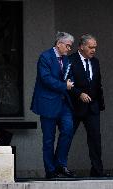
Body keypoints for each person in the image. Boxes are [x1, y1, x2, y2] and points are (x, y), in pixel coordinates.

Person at [30, 32, 76, 179]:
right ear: (59, 44)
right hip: (48, 103)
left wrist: (70, 82)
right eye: (67, 45)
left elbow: (70, 76)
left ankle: (60, 165)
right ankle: (50, 170)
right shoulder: (45, 57)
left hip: (63, 103)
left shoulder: (67, 59)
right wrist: (64, 85)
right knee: (49, 139)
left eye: (70, 46)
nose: (69, 49)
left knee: (68, 131)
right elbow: (46, 79)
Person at [68, 34, 107, 177]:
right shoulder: (70, 60)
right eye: (90, 47)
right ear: (81, 47)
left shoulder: (95, 62)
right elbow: (67, 82)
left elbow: (98, 84)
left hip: (92, 106)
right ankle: (59, 168)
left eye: (95, 47)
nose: (93, 50)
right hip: (74, 106)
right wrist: (79, 94)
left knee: (95, 138)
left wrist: (100, 104)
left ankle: (97, 170)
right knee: (67, 136)